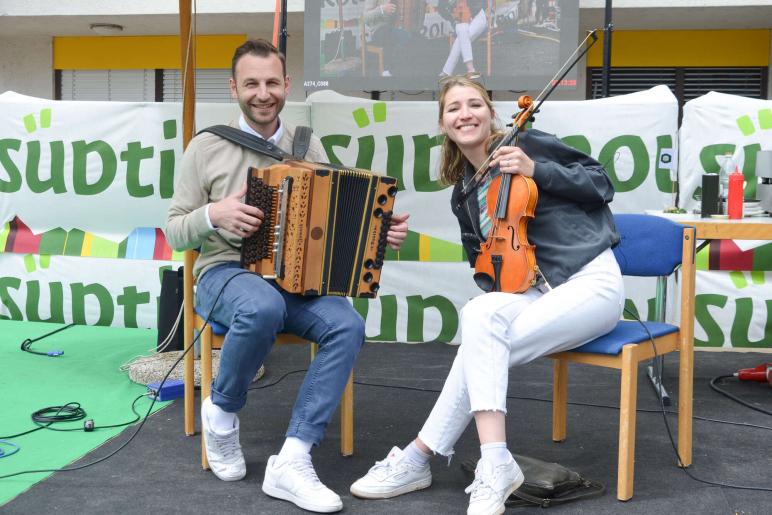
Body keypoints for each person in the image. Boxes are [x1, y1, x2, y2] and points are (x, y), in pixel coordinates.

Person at [350, 76, 624, 515]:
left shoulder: (528, 144)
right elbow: (488, 269)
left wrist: (537, 171)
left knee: (481, 351)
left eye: (474, 104)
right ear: (443, 123)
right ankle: (494, 460)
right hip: (534, 293)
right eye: (454, 108)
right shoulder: (463, 193)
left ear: (489, 113)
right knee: (480, 314)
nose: (465, 114)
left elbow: (601, 184)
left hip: (590, 283)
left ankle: (420, 456)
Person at [164, 39, 409, 513]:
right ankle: (221, 412)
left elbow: (337, 215)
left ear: (286, 85)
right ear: (234, 87)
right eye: (251, 83)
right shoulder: (206, 145)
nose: (262, 93)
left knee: (347, 324)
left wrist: (378, 233)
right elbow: (176, 229)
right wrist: (215, 214)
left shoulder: (305, 143)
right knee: (262, 306)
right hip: (223, 274)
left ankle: (293, 457)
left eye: (271, 82)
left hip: (293, 281)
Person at [362, 0, 421, 77]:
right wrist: (382, 9)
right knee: (403, 37)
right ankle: (387, 72)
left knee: (417, 40)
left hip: (399, 28)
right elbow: (366, 17)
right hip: (380, 29)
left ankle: (399, 72)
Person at [439, 0, 489, 78]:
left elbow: (482, 3)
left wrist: (468, 15)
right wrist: (454, 20)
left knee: (461, 35)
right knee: (462, 29)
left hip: (477, 18)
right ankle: (471, 70)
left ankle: (447, 71)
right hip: (460, 21)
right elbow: (441, 9)